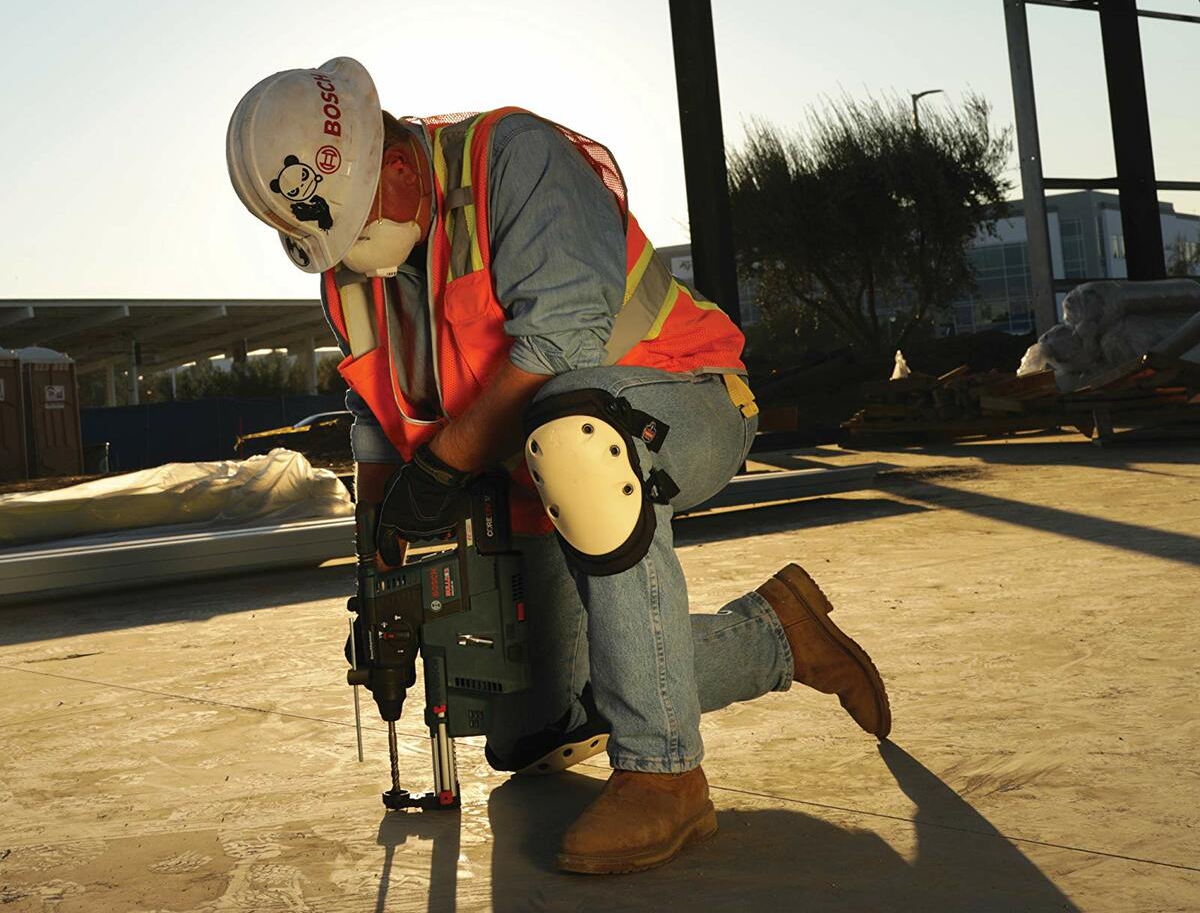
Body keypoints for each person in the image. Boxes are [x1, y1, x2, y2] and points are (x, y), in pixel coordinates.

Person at [225, 57, 890, 875]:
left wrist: (437, 471)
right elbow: (374, 418)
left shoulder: (514, 159)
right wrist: (380, 564)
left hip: (678, 406)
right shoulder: (351, 276)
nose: (355, 256)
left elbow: (562, 346)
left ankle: (666, 777)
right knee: (533, 723)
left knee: (576, 428)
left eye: (358, 229)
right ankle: (778, 636)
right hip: (535, 476)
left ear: (397, 163)